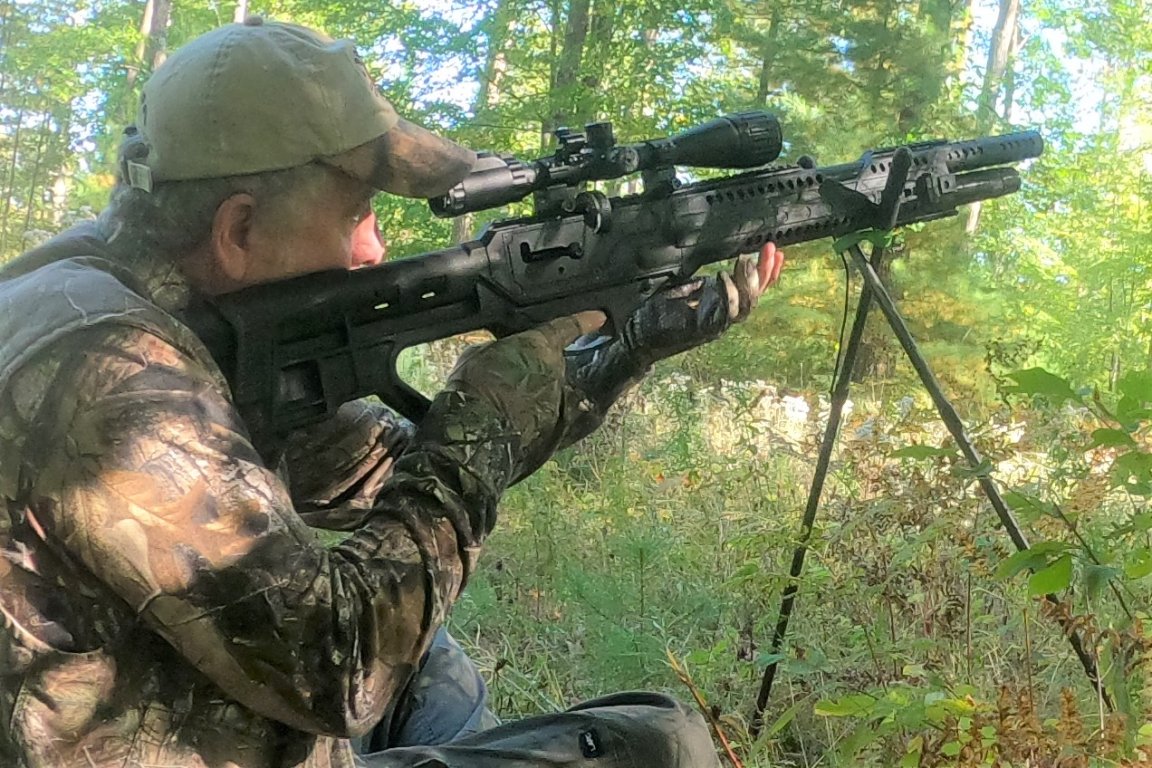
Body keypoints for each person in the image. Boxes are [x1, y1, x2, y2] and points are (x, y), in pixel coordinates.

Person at [0, 17, 783, 768]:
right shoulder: (112, 376)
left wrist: (629, 347)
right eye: (358, 213)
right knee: (660, 745)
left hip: (207, 710)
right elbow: (339, 667)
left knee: (433, 657)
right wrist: (479, 418)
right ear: (238, 231)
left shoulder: (126, 293)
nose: (376, 247)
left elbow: (394, 473)